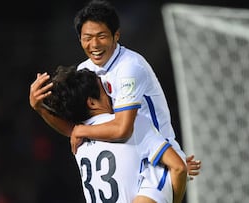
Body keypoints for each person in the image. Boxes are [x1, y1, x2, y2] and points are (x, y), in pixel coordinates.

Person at [29, 0, 201, 197]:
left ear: (116, 35)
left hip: (155, 157)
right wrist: (40, 108)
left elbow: (122, 128)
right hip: (125, 154)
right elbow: (73, 133)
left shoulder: (129, 67)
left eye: (101, 36)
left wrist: (82, 129)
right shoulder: (85, 73)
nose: (94, 44)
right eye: (88, 37)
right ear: (79, 39)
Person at [43, 65, 187, 203]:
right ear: (92, 103)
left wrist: (39, 107)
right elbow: (179, 168)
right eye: (105, 89)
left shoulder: (78, 143)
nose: (111, 94)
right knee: (158, 171)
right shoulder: (135, 123)